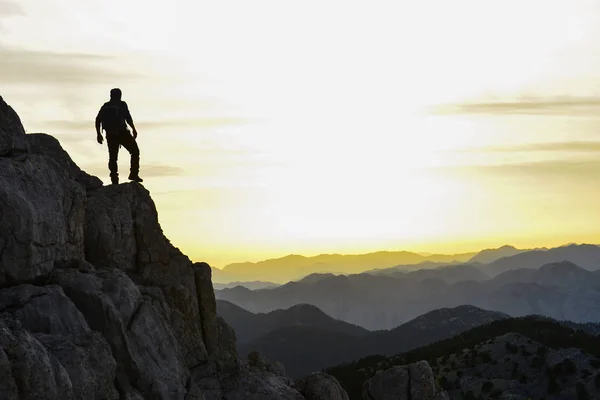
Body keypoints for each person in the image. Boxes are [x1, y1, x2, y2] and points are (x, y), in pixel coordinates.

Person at [95, 88, 143, 184]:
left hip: (110, 135)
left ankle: (114, 180)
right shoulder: (122, 104)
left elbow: (97, 120)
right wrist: (133, 129)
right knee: (135, 151)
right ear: (119, 95)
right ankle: (133, 174)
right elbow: (128, 117)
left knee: (113, 158)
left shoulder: (105, 106)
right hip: (122, 133)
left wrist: (99, 134)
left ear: (111, 95)